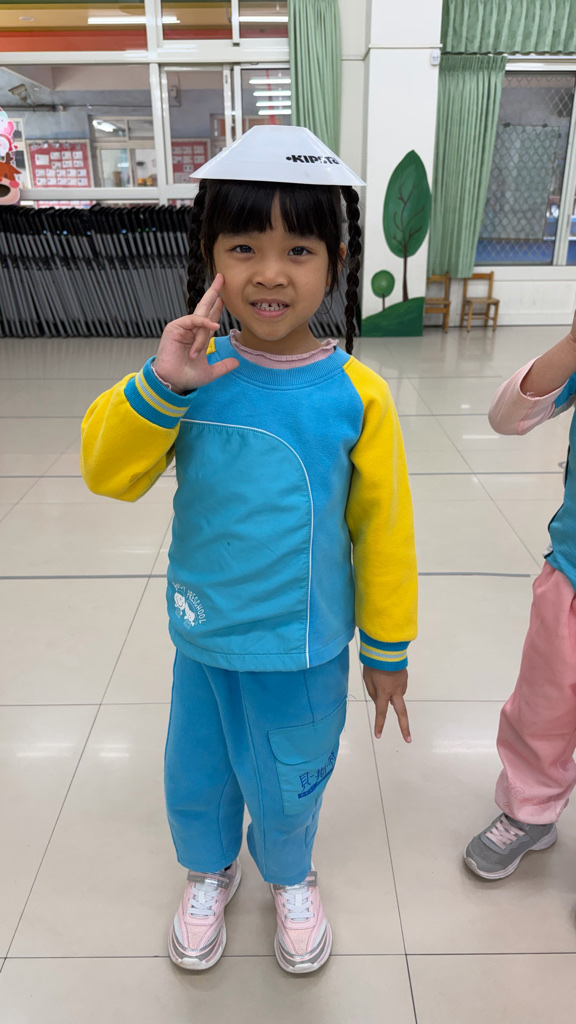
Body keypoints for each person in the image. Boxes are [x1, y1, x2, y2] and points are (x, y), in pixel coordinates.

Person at [81, 126, 417, 973]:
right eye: (243, 248)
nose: (270, 273)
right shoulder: (190, 374)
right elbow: (107, 474)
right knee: (196, 771)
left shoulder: (358, 393)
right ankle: (209, 870)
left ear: (336, 262)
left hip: (303, 647)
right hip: (204, 636)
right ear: (211, 259)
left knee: (292, 774)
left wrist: (387, 648)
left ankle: (291, 875)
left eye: (298, 249)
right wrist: (161, 385)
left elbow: (384, 530)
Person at [464, 311, 576, 880]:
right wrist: (573, 344)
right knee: (543, 707)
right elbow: (508, 416)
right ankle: (530, 809)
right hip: (572, 575)